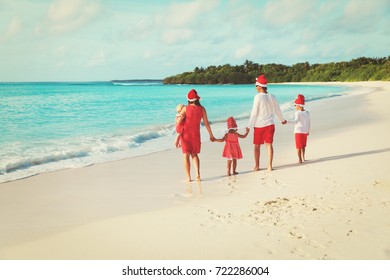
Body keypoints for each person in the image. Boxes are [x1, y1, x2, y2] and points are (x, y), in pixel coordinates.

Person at [246, 74, 287, 171]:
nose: (255, 88)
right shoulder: (272, 96)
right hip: (270, 125)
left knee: (257, 146)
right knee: (269, 145)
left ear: (260, 86)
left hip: (259, 126)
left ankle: (257, 166)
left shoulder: (258, 97)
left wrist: (249, 125)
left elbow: (254, 113)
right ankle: (269, 166)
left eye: (256, 86)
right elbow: (277, 110)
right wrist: (282, 120)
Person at [176, 89, 215, 182]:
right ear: (197, 99)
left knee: (186, 155)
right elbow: (206, 123)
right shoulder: (202, 109)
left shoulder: (185, 108)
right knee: (195, 154)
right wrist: (211, 135)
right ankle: (197, 174)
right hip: (196, 134)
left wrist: (178, 116)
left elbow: (179, 122)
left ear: (188, 99)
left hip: (185, 134)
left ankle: (188, 177)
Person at [288, 94, 311, 163]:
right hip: (305, 131)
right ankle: (303, 158)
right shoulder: (307, 112)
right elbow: (309, 123)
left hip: (298, 131)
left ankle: (299, 159)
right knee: (303, 146)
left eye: (295, 105)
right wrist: (308, 131)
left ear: (298, 105)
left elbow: (295, 121)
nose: (295, 107)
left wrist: (287, 122)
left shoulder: (297, 113)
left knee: (298, 147)